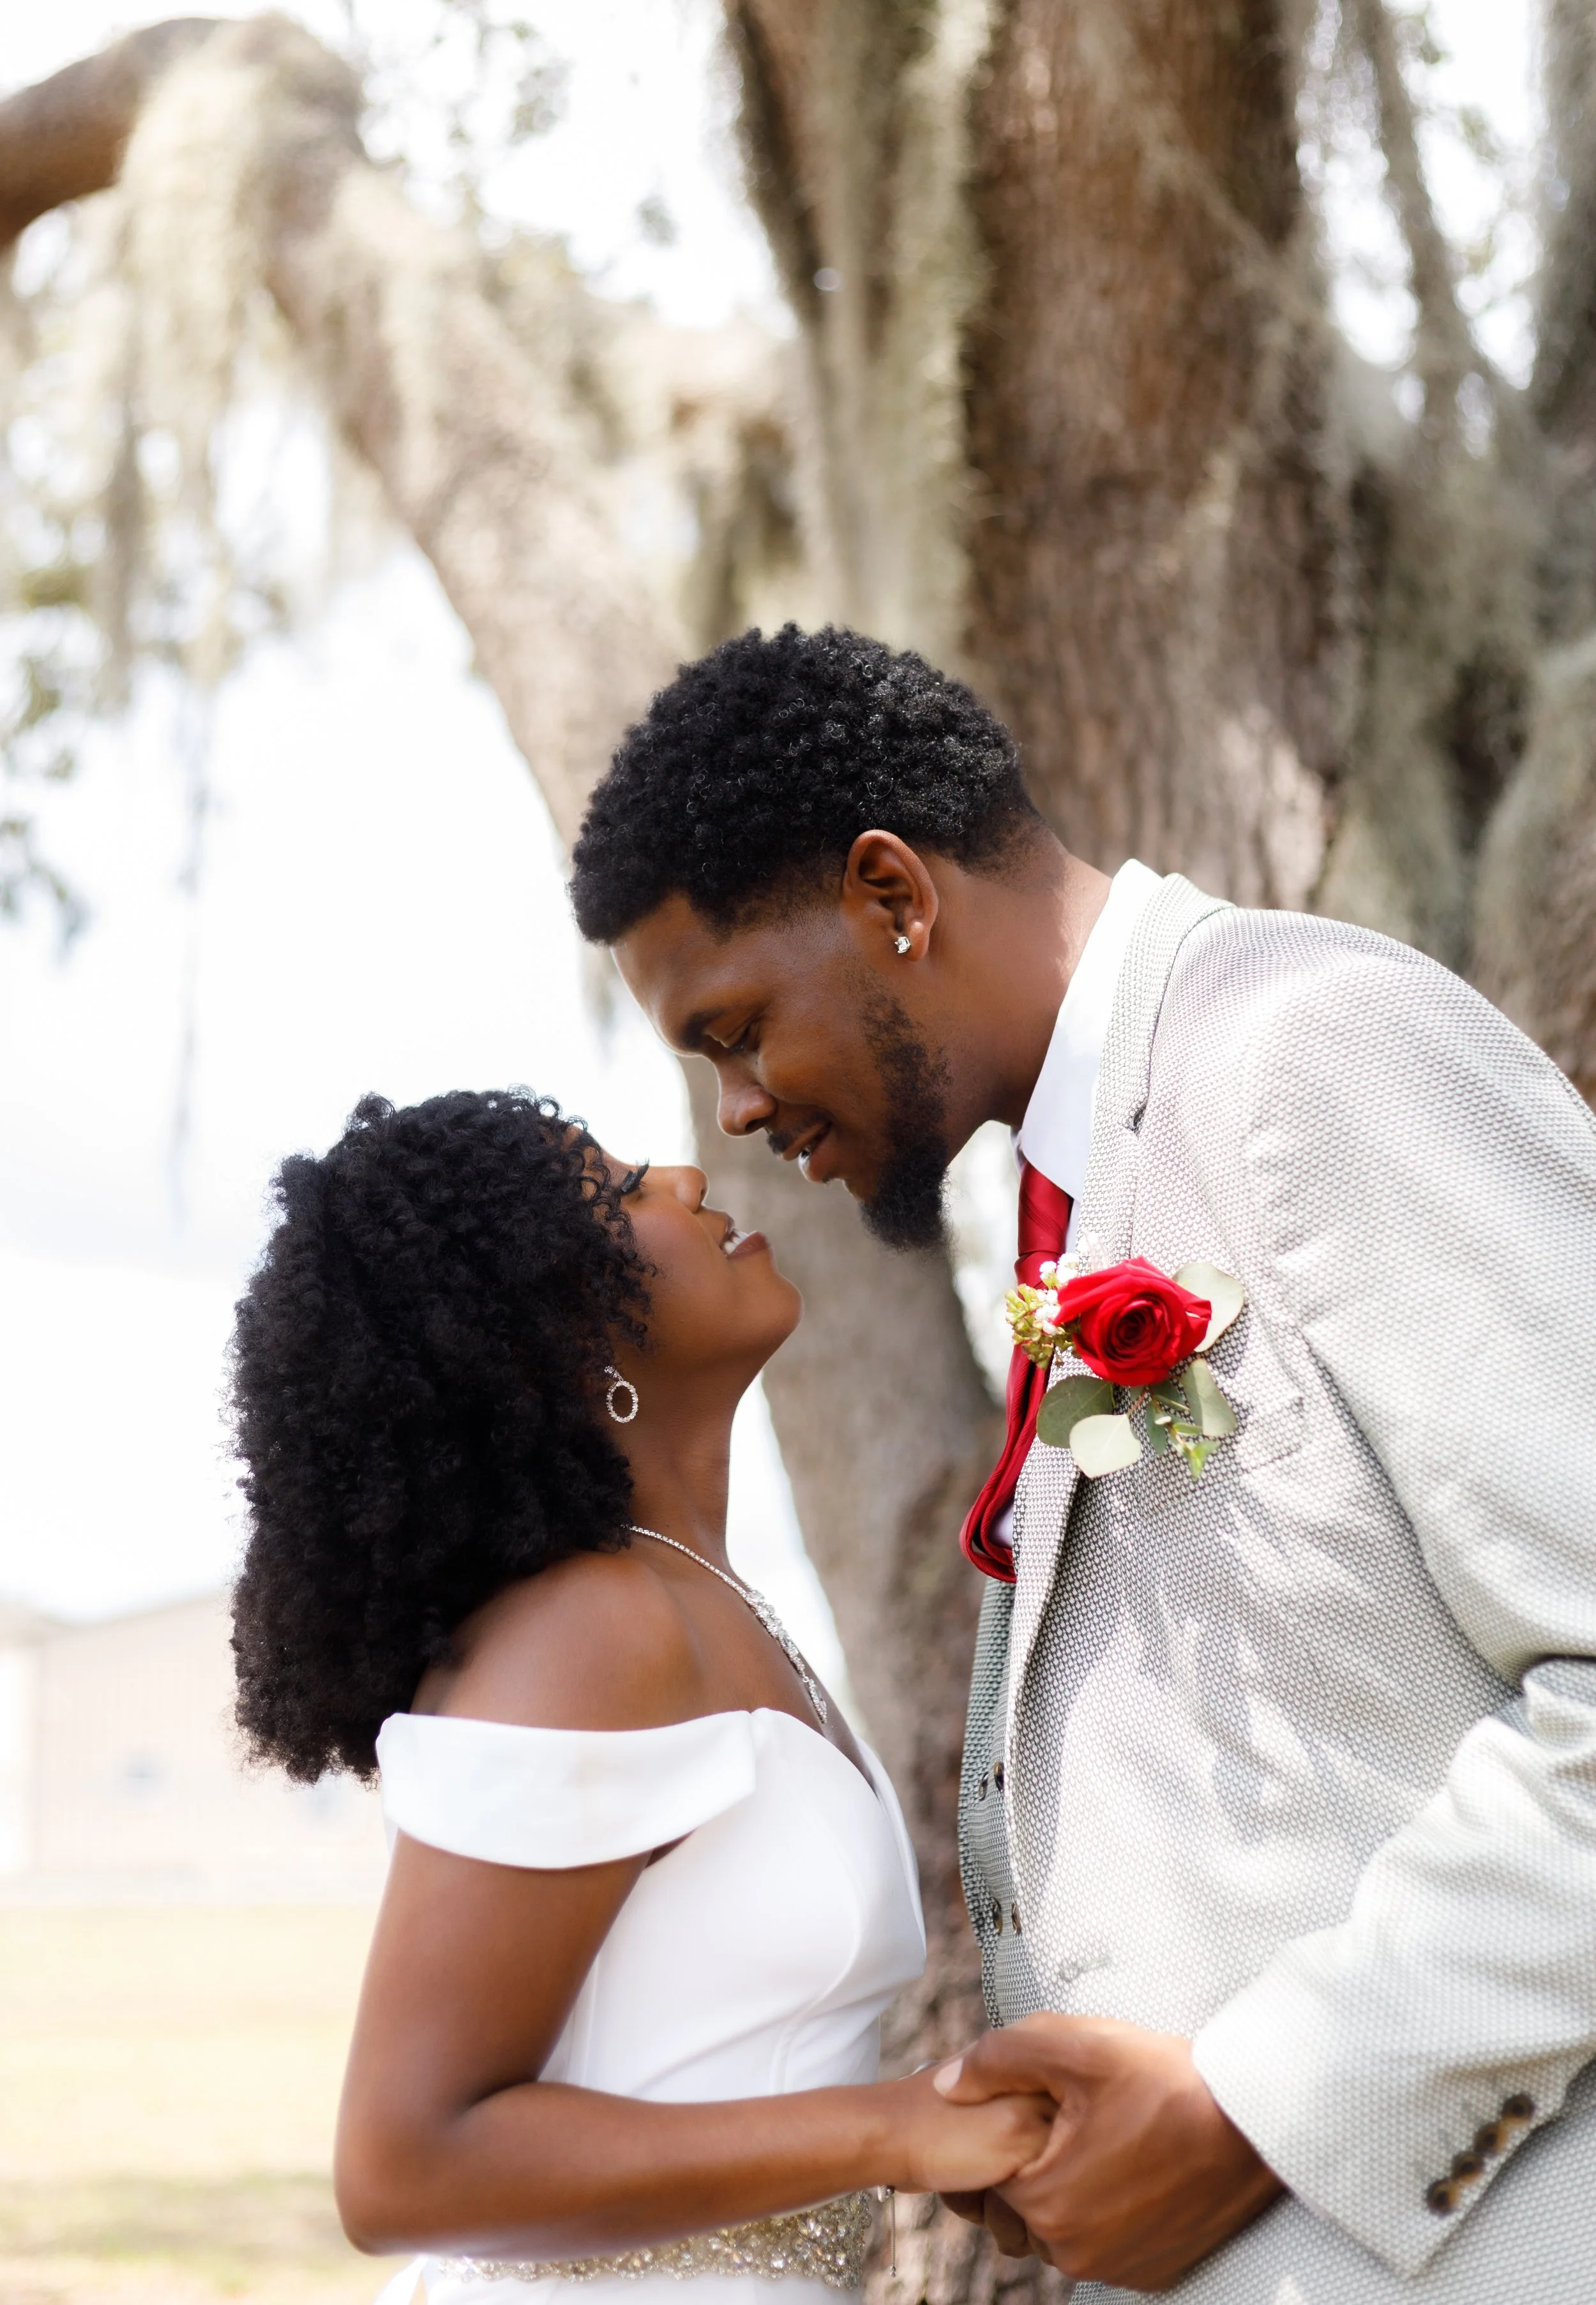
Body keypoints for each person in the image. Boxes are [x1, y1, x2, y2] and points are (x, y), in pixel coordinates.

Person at [571, 623, 1596, 2302]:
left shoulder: (1305, 1046)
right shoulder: (1081, 1171)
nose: (738, 1109)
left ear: (894, 893)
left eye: (738, 1027)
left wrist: (1256, 2108)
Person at [227, 1089, 1053, 2305]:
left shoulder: (695, 1598)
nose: (684, 1174)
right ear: (553, 1336)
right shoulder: (590, 1632)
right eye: (620, 1194)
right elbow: (403, 2164)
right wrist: (895, 2128)